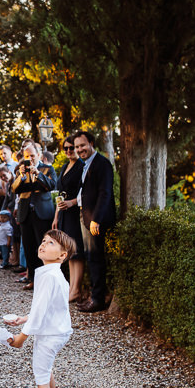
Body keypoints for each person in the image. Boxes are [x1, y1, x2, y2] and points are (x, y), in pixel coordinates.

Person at [7, 230, 77, 388]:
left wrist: (21, 337)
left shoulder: (49, 277)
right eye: (44, 241)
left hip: (51, 334)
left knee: (41, 376)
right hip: (57, 330)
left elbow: (40, 313)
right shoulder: (53, 274)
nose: (43, 245)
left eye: (51, 243)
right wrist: (24, 318)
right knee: (47, 370)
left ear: (62, 255)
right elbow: (45, 308)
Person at [72, 131, 116, 313]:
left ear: (91, 143)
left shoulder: (102, 164)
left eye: (82, 145)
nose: (79, 149)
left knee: (95, 258)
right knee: (90, 257)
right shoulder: (85, 164)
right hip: (86, 216)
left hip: (96, 220)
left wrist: (96, 219)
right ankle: (93, 296)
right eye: (77, 147)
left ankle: (97, 299)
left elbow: (105, 193)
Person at [10, 143, 56, 290]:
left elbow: (52, 185)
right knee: (30, 249)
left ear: (39, 155)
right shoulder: (20, 171)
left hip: (42, 212)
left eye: (32, 156)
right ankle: (34, 280)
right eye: (26, 156)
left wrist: (38, 173)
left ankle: (48, 281)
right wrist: (22, 176)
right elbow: (14, 189)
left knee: (44, 247)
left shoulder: (48, 168)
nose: (29, 159)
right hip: (25, 213)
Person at [52, 135, 87, 304]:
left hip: (75, 211)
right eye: (65, 148)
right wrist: (56, 216)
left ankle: (76, 290)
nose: (68, 151)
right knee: (70, 252)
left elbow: (84, 191)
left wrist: (72, 203)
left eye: (71, 148)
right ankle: (72, 288)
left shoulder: (82, 166)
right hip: (64, 212)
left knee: (77, 252)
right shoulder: (65, 166)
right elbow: (59, 194)